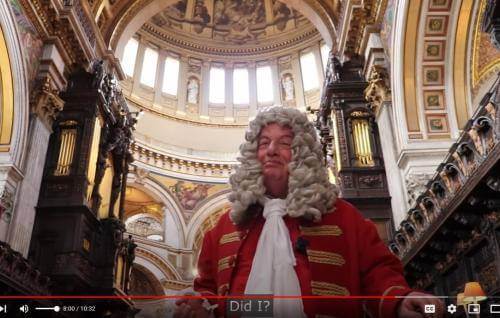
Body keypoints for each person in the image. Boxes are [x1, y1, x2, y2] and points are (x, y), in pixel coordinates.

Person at [175, 107, 443, 318]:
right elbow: (206, 290)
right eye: (264, 142)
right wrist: (199, 308)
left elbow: (377, 273)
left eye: (284, 143)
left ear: (302, 152)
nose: (271, 150)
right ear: (252, 154)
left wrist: (399, 301)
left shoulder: (343, 217)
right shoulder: (224, 228)